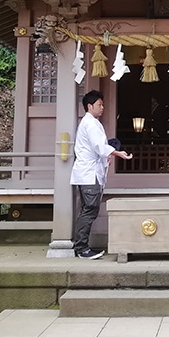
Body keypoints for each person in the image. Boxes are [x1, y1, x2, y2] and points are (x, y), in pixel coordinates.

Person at [71, 90, 132, 259]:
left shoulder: (90, 123)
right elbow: (99, 147)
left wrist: (109, 155)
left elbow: (98, 149)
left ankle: (81, 246)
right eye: (99, 104)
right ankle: (81, 248)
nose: (102, 107)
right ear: (89, 106)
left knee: (87, 210)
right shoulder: (90, 123)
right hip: (89, 174)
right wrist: (117, 153)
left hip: (88, 173)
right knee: (89, 210)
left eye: (103, 104)